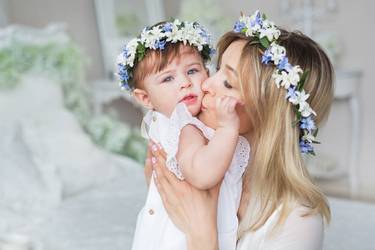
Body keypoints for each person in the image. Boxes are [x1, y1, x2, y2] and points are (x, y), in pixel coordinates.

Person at [146, 10, 334, 250]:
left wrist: (203, 236)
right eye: (216, 70)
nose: (205, 84)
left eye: (228, 83)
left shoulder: (299, 221)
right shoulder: (194, 155)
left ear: (268, 113)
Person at [116, 19, 250, 250]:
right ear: (145, 98)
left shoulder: (183, 122)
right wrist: (228, 128)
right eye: (168, 78)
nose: (185, 83)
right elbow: (202, 175)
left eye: (192, 71)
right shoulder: (182, 125)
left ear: (206, 72)